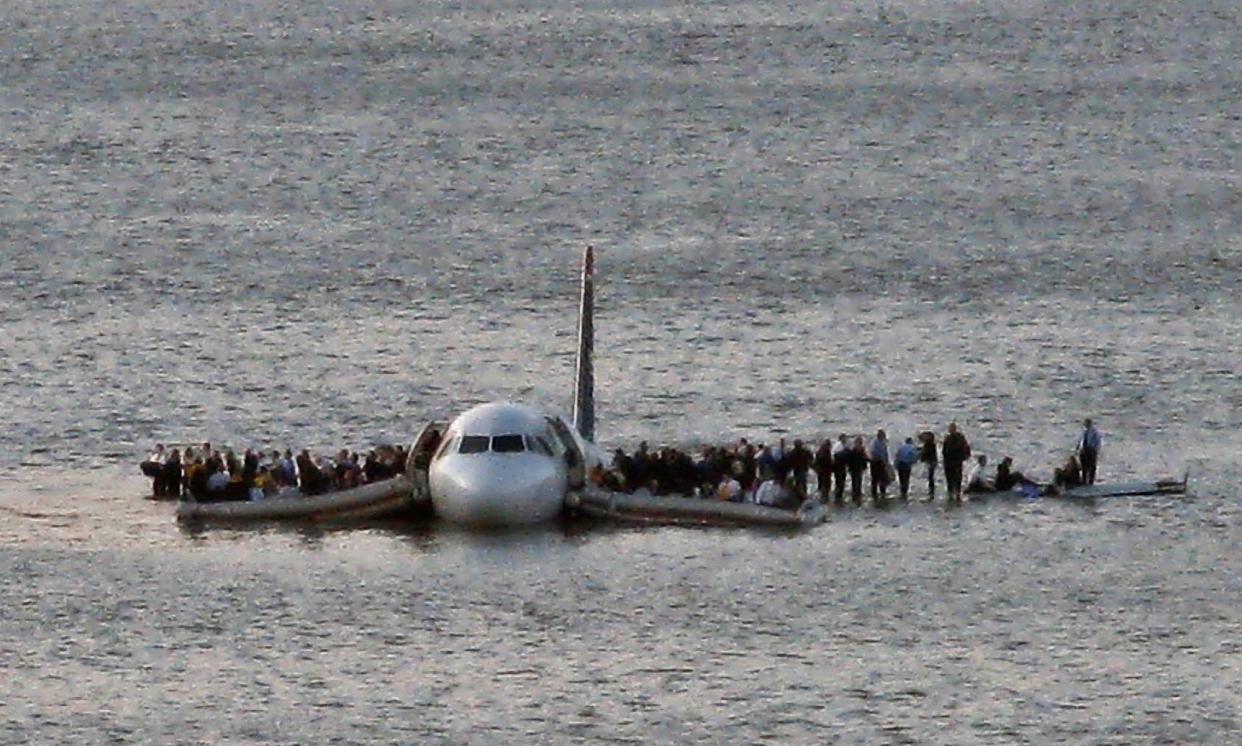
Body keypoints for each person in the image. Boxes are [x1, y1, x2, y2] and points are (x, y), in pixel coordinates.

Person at [941, 423, 972, 501]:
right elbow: (944, 451)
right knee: (950, 478)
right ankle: (951, 493)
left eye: (951, 428)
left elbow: (966, 447)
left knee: (957, 477)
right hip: (949, 461)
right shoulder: (948, 438)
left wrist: (966, 456)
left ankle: (957, 493)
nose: (950, 430)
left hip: (956, 461)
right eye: (950, 428)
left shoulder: (959, 438)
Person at [1078, 418, 1101, 485]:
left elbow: (1098, 441)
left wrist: (1095, 449)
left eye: (1086, 424)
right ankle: (1084, 480)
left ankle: (1091, 481)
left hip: (1091, 450)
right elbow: (1080, 441)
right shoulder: (1083, 432)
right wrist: (1078, 448)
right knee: (1084, 466)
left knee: (1092, 466)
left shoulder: (1095, 432)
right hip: (1083, 450)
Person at [846, 436, 869, 504]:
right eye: (858, 443)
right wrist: (849, 468)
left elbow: (864, 459)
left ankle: (857, 494)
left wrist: (865, 466)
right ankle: (855, 495)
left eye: (860, 443)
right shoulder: (853, 451)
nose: (858, 445)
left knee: (859, 482)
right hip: (854, 469)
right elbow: (849, 461)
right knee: (854, 482)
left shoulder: (862, 450)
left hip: (859, 468)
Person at [869, 429, 891, 500]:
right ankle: (875, 493)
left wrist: (887, 462)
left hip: (879, 462)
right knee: (876, 478)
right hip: (876, 462)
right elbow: (875, 453)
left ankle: (881, 492)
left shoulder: (881, 442)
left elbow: (885, 453)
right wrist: (884, 461)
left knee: (881, 479)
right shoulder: (875, 443)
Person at [918, 431, 938, 500]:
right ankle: (931, 491)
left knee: (930, 477)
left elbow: (926, 453)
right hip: (932, 461)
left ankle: (931, 492)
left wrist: (921, 457)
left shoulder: (929, 445)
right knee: (930, 477)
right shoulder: (931, 444)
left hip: (931, 462)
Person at [831, 434, 850, 503]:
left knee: (840, 482)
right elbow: (837, 455)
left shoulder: (840, 445)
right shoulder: (839, 445)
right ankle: (838, 497)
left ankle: (838, 496)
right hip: (839, 467)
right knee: (840, 482)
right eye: (844, 438)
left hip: (840, 467)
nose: (845, 440)